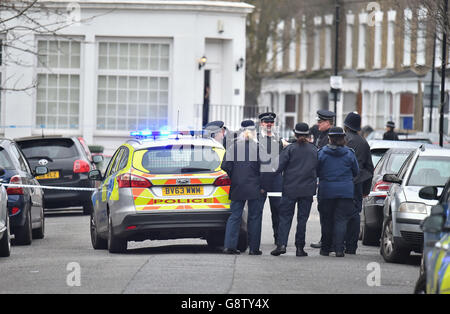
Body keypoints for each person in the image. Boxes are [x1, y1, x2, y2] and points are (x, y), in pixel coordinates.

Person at [271, 123, 318, 257]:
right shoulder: (314, 150)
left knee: (285, 217)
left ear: (295, 134)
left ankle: (282, 245)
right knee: (302, 219)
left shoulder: (290, 149)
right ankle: (299, 248)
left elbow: (277, 167)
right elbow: (318, 169)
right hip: (307, 189)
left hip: (290, 188)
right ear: (308, 135)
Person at [221, 120, 265, 255]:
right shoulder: (259, 148)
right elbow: (264, 169)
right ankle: (254, 248)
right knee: (255, 217)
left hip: (237, 186)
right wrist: (262, 186)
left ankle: (229, 246)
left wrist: (235, 177)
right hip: (255, 187)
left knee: (235, 216)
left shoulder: (233, 147)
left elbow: (225, 166)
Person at [317, 127, 359, 257]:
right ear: (343, 138)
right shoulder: (349, 153)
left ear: (329, 138)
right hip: (345, 192)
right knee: (341, 221)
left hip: (326, 191)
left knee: (326, 220)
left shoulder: (322, 153)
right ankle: (339, 249)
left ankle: (325, 249)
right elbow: (356, 171)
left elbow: (316, 170)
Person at [343, 112, 375, 254]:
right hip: (357, 184)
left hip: (343, 182)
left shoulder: (342, 140)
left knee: (340, 215)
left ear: (346, 126)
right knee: (355, 215)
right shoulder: (364, 142)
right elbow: (369, 168)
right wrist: (365, 190)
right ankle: (351, 246)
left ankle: (339, 244)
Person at [310, 109, 336, 249]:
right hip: (323, 179)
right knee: (325, 212)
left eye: (320, 122)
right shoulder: (322, 135)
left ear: (327, 122)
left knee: (327, 213)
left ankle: (328, 241)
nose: (318, 124)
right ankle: (326, 240)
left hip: (327, 179)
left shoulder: (329, 137)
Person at [258, 112, 284, 245]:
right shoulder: (256, 139)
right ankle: (254, 239)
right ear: (261, 123)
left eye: (271, 122)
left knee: (278, 209)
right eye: (266, 122)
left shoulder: (278, 139)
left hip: (275, 179)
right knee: (257, 210)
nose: (268, 124)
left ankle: (278, 238)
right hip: (260, 179)